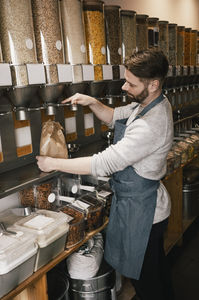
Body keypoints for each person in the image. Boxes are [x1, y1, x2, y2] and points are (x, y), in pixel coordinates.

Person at [36, 48, 174, 300]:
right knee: (157, 272)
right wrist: (91, 101)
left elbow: (103, 163)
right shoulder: (148, 103)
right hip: (141, 204)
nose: (123, 86)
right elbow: (113, 116)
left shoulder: (151, 124)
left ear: (153, 84)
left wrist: (53, 163)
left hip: (145, 213)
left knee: (147, 283)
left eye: (131, 83)